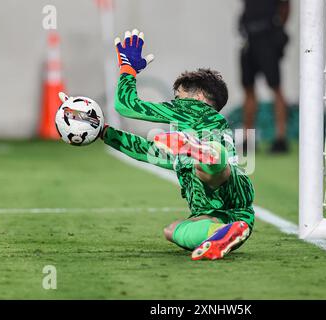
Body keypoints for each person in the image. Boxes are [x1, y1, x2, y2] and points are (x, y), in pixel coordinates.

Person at [100, 29, 255, 261]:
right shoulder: (183, 149)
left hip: (222, 175)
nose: (175, 103)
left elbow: (125, 105)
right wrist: (104, 132)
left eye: (179, 96)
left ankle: (206, 155)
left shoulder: (192, 108)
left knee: (207, 167)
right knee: (172, 230)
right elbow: (144, 151)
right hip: (236, 212)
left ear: (200, 97)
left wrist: (127, 70)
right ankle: (220, 233)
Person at [239, 0, 290, 153]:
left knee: (276, 88)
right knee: (248, 89)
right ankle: (248, 140)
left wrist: (276, 30)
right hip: (249, 39)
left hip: (268, 40)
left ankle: (280, 139)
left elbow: (285, 7)